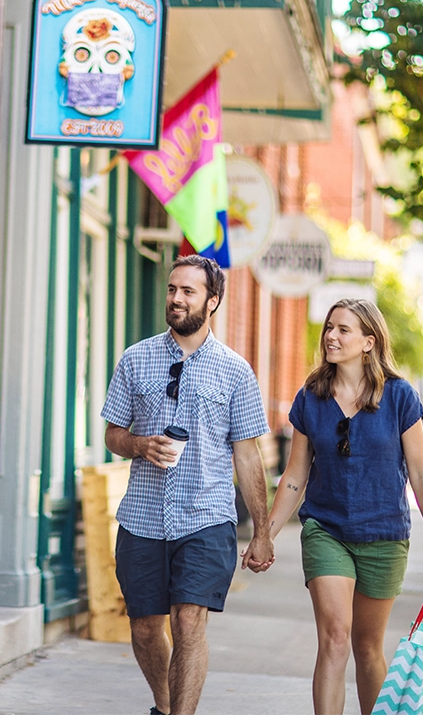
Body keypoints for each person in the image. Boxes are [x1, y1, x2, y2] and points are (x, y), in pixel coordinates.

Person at [248, 298, 423, 715]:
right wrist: (264, 534)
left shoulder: (400, 396)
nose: (331, 336)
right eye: (329, 328)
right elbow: (294, 476)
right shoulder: (311, 397)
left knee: (367, 646)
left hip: (384, 535)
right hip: (327, 530)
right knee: (336, 638)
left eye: (343, 330)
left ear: (368, 342)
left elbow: (421, 471)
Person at [102, 255, 273, 715]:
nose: (176, 298)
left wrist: (261, 530)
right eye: (172, 289)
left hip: (207, 517)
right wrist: (139, 445)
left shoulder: (236, 371)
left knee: (189, 622)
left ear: (212, 301)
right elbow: (112, 433)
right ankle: (164, 705)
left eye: (189, 292)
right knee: (143, 627)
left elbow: (248, 454)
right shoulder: (135, 358)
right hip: (142, 516)